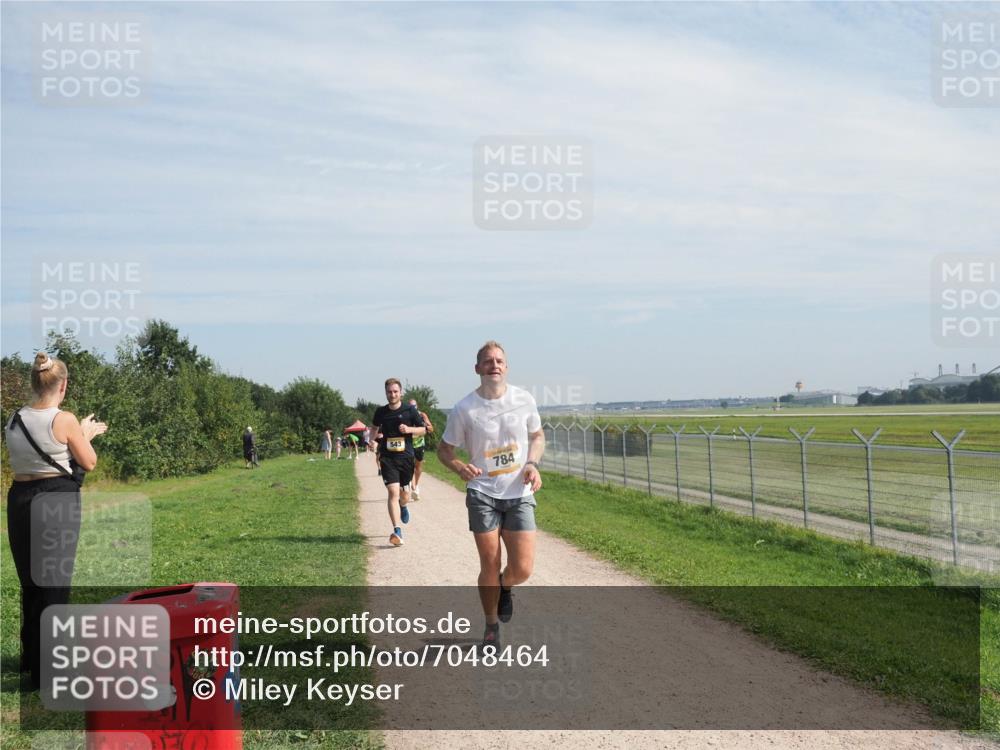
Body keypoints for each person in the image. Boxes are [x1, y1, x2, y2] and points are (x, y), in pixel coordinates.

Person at [4, 351, 108, 690]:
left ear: (34, 383)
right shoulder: (64, 419)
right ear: (62, 386)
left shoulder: (14, 419)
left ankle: (32, 658)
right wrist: (85, 433)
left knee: (32, 581)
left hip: (19, 500)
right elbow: (87, 462)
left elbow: (33, 460)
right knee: (54, 583)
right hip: (55, 501)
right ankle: (51, 672)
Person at [438, 341, 544, 652]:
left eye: (499, 360)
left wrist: (532, 464)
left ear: (506, 367)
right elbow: (444, 450)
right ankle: (491, 626)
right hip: (482, 492)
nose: (494, 365)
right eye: (487, 361)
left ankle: (506, 585)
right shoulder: (464, 409)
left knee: (522, 568)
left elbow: (537, 437)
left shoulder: (523, 400)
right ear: (477, 369)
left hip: (519, 491)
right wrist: (459, 467)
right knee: (489, 562)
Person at [372, 378, 426, 546]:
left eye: (395, 391)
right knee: (393, 493)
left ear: (400, 392)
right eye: (389, 392)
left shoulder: (410, 410)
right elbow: (373, 427)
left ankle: (403, 506)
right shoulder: (381, 412)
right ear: (386, 393)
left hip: (406, 458)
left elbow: (423, 429)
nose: (392, 394)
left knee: (405, 495)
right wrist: (373, 439)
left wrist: (409, 429)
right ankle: (397, 530)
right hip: (388, 458)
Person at [407, 399, 435, 500]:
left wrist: (425, 427)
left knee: (418, 466)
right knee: (410, 465)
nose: (413, 408)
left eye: (414, 406)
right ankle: (413, 487)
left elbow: (431, 428)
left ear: (417, 406)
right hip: (408, 444)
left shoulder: (422, 415)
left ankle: (416, 485)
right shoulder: (406, 414)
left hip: (419, 444)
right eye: (410, 406)